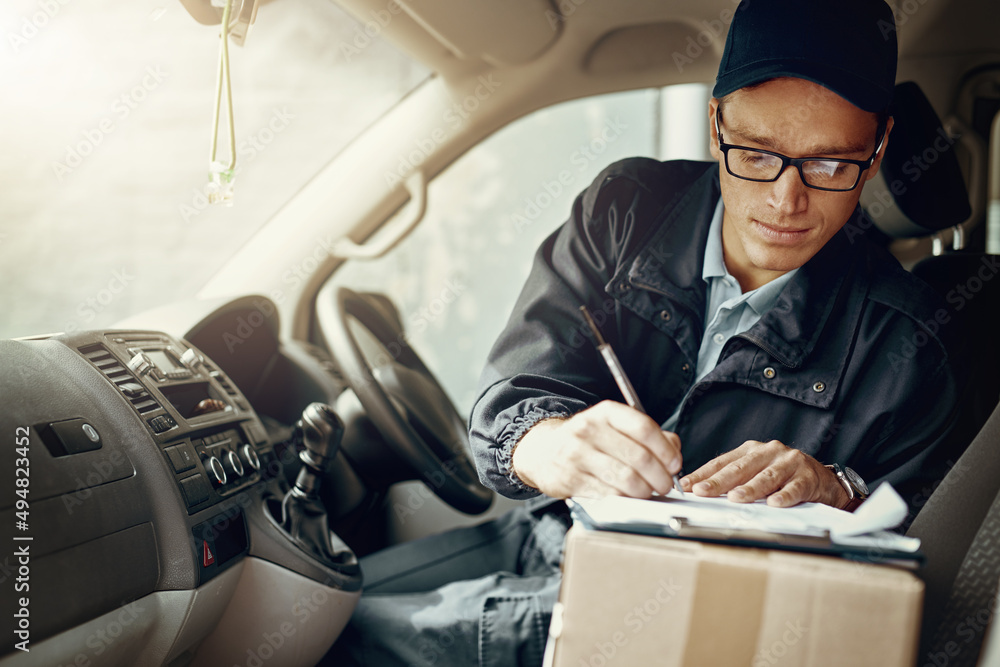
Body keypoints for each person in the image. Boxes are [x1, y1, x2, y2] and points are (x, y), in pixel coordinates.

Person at [325, 1, 967, 664]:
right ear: (716, 123)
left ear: (879, 146)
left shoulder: (914, 351)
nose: (785, 200)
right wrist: (550, 444)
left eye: (830, 165)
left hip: (677, 614)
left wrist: (843, 490)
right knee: (320, 611)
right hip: (542, 535)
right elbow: (508, 401)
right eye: (756, 153)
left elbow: (910, 585)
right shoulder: (625, 210)